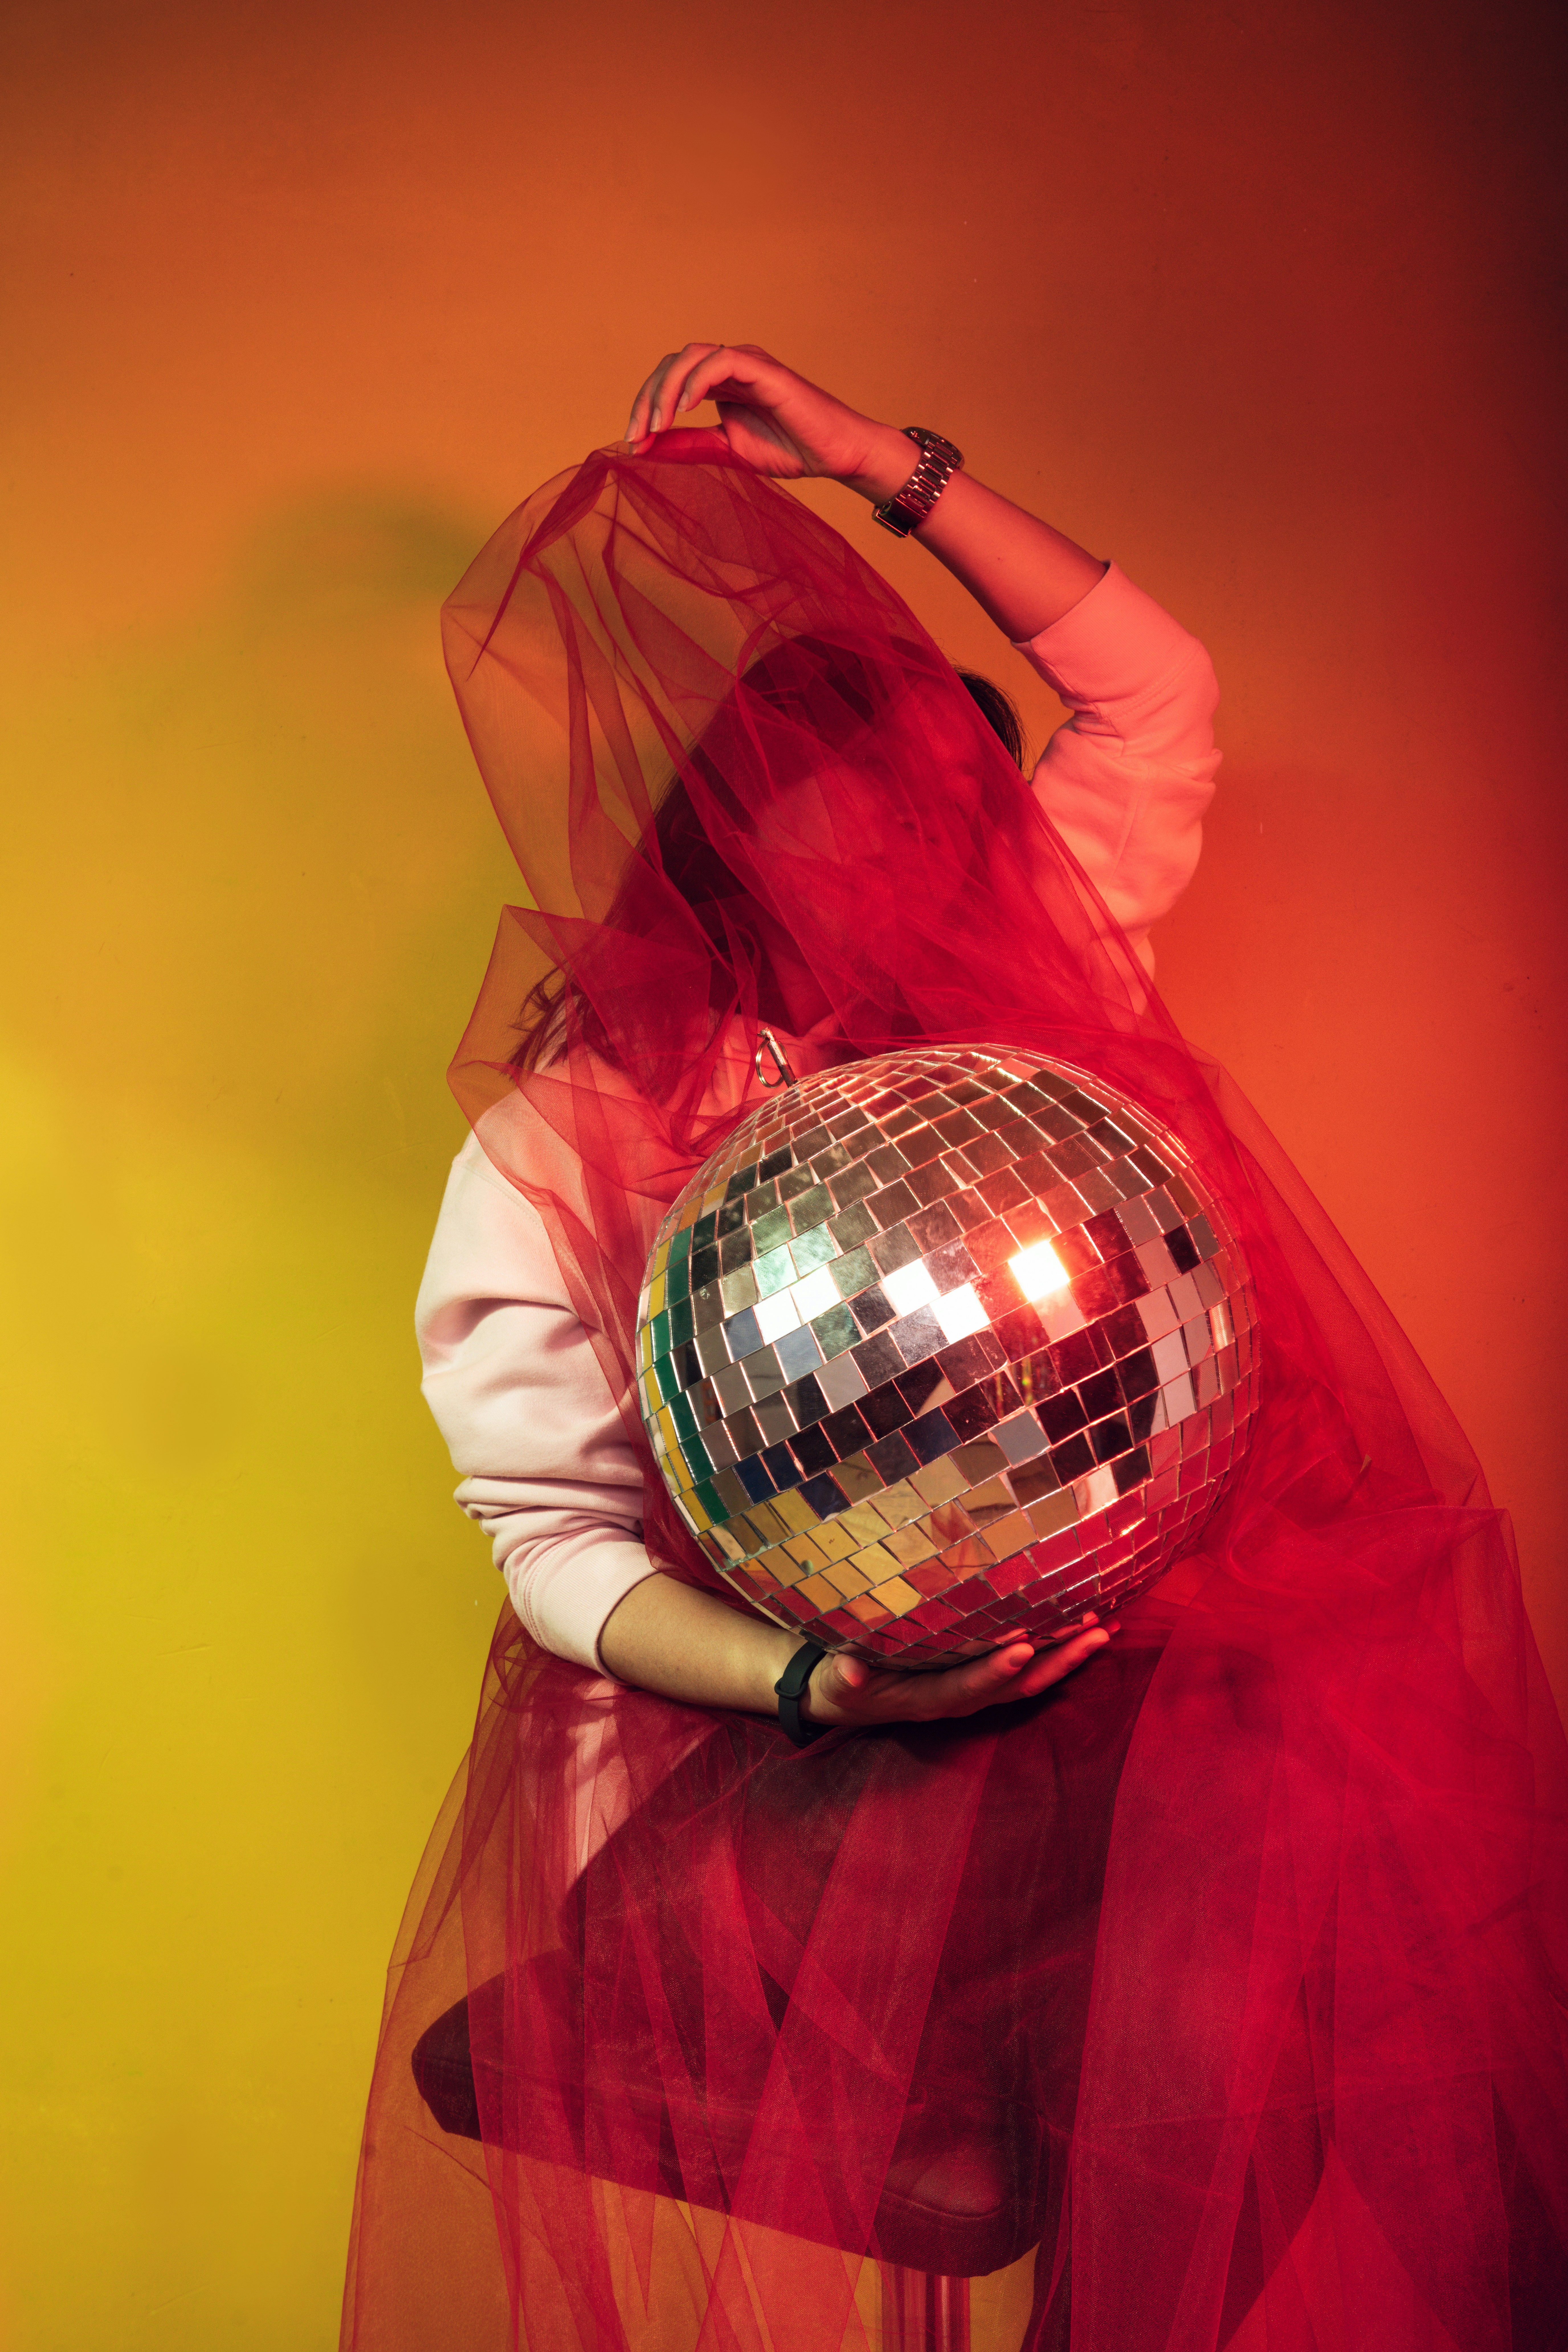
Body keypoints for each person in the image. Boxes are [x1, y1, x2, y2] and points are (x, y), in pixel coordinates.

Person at [340, 348, 1568, 2352]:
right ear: (730, 847)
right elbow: (550, 1542)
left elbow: (1153, 697)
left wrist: (864, 463)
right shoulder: (575, 1139)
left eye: (939, 833)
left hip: (1099, 1668)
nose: (899, 885)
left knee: (1306, 1818)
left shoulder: (1034, 963)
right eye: (842, 839)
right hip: (773, 1732)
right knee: (1211, 1875)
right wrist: (827, 1682)